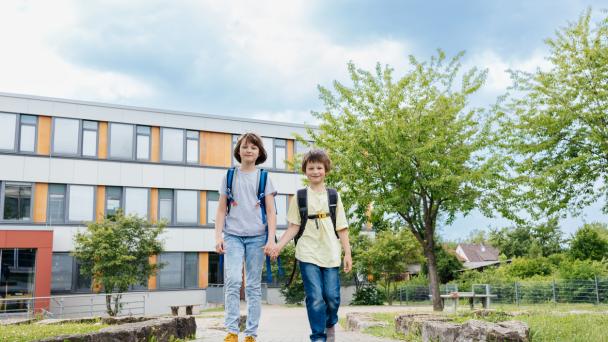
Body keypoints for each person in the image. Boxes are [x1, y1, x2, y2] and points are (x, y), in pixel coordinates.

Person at [271, 149, 352, 342]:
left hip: (331, 251)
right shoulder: (299, 197)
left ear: (326, 170)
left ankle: (330, 323)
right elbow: (293, 227)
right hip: (307, 252)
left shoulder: (333, 196)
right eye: (311, 168)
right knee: (315, 297)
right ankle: (318, 337)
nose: (315, 171)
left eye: (319, 167)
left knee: (332, 297)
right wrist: (278, 246)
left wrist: (347, 253)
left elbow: (342, 227)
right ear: (305, 171)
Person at [215, 133, 277, 342]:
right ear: (238, 150)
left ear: (259, 152)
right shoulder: (229, 176)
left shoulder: (264, 178)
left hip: (257, 238)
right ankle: (232, 331)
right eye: (245, 147)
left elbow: (271, 211)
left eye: (253, 147)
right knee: (232, 281)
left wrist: (271, 240)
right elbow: (221, 210)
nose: (249, 150)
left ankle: (251, 334)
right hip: (232, 236)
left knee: (252, 286)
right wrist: (218, 236)